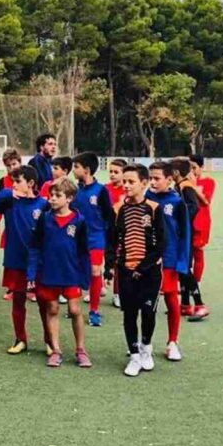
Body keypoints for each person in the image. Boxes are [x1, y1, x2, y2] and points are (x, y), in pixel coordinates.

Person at [0, 166, 49, 355]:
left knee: (44, 303)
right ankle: (20, 339)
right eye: (13, 182)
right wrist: (8, 192)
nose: (14, 185)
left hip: (39, 263)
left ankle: (49, 341)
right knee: (18, 301)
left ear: (30, 183)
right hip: (15, 260)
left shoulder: (43, 204)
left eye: (18, 181)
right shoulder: (10, 201)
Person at [27, 180, 92, 368]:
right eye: (51, 195)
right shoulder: (44, 219)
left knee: (75, 310)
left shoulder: (79, 221)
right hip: (49, 272)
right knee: (53, 309)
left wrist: (85, 277)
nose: (52, 199)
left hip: (71, 272)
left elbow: (83, 251)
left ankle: (81, 349)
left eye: (57, 196)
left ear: (69, 198)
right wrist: (31, 273)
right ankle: (56, 350)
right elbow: (35, 247)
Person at [113, 164, 165, 377]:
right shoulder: (118, 209)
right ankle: (134, 356)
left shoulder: (154, 208)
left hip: (150, 272)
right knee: (129, 314)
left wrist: (143, 268)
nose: (126, 185)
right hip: (126, 271)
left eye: (131, 181)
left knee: (148, 312)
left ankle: (146, 347)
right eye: (124, 181)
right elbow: (112, 239)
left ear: (143, 184)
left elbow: (161, 243)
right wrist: (109, 266)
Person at [146, 161, 189, 362]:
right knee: (147, 302)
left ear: (169, 179)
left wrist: (182, 262)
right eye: (150, 178)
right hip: (148, 259)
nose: (152, 182)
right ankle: (145, 342)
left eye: (157, 178)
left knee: (171, 300)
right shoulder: (145, 198)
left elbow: (185, 234)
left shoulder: (177, 202)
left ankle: (172, 342)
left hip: (169, 259)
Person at [71, 152, 114, 327]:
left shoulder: (101, 190)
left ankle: (94, 311)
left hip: (96, 238)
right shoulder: (74, 190)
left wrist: (109, 239)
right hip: (76, 238)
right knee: (76, 271)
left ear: (87, 170)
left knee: (95, 271)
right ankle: (74, 308)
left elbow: (109, 216)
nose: (73, 170)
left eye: (76, 167)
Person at [171, 157, 207, 321]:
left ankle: (200, 305)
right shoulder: (179, 186)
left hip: (185, 234)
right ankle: (185, 305)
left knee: (184, 269)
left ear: (176, 172)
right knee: (182, 269)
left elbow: (194, 207)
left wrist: (181, 221)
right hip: (181, 233)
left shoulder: (186, 187)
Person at [0, 148, 22, 301]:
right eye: (8, 165)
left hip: (27, 223)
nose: (12, 168)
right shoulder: (2, 182)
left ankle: (31, 287)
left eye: (14, 164)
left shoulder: (28, 177)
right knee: (10, 257)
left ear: (20, 163)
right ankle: (12, 287)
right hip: (11, 225)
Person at [188, 154, 215, 312]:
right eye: (189, 168)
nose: (192, 171)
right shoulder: (184, 182)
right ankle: (187, 286)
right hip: (187, 222)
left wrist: (193, 187)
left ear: (201, 167)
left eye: (194, 168)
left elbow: (206, 201)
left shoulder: (208, 182)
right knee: (186, 255)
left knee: (198, 253)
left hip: (201, 223)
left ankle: (196, 283)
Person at [104, 158, 127, 309]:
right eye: (111, 171)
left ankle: (117, 294)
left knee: (119, 263)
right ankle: (97, 287)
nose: (112, 174)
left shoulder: (128, 190)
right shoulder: (105, 189)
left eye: (116, 172)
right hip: (104, 229)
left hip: (120, 231)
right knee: (98, 261)